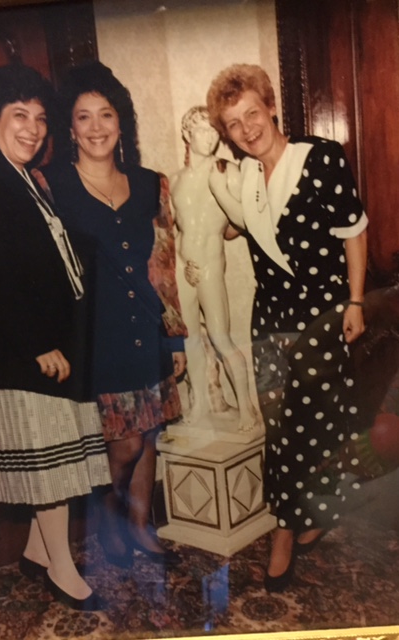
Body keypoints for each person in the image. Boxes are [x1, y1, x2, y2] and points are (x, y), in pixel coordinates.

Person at [0, 63, 111, 611]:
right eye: (19, 115)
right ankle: (63, 570)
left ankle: (37, 552)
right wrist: (37, 343)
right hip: (24, 348)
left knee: (59, 457)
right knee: (52, 468)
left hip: (53, 338)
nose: (33, 129)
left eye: (41, 119)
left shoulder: (29, 179)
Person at [206, 63, 368, 591]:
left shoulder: (319, 157)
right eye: (234, 123)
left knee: (310, 426)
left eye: (252, 113)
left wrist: (356, 301)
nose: (247, 128)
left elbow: (354, 232)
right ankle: (309, 515)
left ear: (271, 107)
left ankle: (284, 530)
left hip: (321, 316)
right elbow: (235, 227)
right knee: (280, 427)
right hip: (269, 321)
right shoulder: (245, 178)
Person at [35, 61, 187, 567]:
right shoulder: (50, 184)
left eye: (106, 114)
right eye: (84, 117)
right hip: (95, 338)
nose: (96, 127)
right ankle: (108, 515)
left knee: (149, 435)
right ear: (69, 127)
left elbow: (163, 264)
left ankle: (141, 526)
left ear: (122, 123)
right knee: (125, 443)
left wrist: (174, 336)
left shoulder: (150, 184)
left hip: (147, 328)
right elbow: (26, 251)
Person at [171, 105, 259, 435]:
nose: (209, 138)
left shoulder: (227, 171)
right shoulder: (174, 180)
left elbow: (245, 220)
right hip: (184, 268)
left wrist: (221, 189)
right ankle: (200, 406)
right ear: (187, 134)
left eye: (213, 132)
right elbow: (171, 231)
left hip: (210, 264)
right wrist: (180, 264)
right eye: (201, 131)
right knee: (191, 340)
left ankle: (247, 408)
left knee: (221, 338)